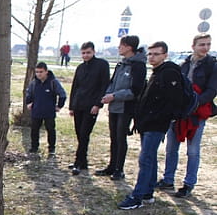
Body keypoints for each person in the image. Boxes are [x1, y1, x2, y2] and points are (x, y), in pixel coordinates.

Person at [118, 41, 184, 211]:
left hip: (156, 124)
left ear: (165, 55)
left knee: (145, 159)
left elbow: (172, 102)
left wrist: (158, 118)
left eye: (156, 54)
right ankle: (147, 193)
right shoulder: (157, 72)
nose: (152, 57)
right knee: (150, 158)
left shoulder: (169, 73)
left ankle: (137, 196)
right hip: (147, 123)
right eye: (150, 54)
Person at [157, 33, 217, 198]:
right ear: (193, 46)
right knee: (171, 148)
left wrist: (194, 103)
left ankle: (188, 183)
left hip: (197, 113)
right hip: (178, 112)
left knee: (192, 150)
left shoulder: (212, 65)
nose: (205, 48)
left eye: (208, 44)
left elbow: (211, 91)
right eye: (202, 44)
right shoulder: (183, 64)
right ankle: (168, 179)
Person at [97, 35, 147, 180]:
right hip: (114, 106)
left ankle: (119, 169)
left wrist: (115, 96)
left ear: (129, 47)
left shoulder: (138, 66)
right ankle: (111, 166)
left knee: (121, 137)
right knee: (113, 137)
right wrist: (108, 94)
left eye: (121, 45)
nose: (119, 48)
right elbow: (112, 83)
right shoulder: (121, 64)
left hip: (126, 107)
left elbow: (135, 90)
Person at [68, 41, 110, 175]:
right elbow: (75, 87)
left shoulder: (102, 65)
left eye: (88, 53)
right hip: (79, 104)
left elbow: (104, 85)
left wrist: (98, 104)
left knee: (85, 133)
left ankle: (77, 162)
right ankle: (83, 161)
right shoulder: (80, 68)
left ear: (94, 52)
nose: (85, 55)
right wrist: (71, 106)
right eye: (83, 53)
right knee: (79, 133)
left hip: (91, 106)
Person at [24, 62, 66, 156]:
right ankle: (34, 147)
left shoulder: (53, 82)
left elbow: (62, 94)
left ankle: (51, 148)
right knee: (34, 130)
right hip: (36, 111)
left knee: (50, 130)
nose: (39, 74)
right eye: (37, 72)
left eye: (41, 72)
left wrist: (59, 106)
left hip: (49, 112)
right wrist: (29, 103)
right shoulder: (34, 83)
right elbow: (28, 93)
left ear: (46, 71)